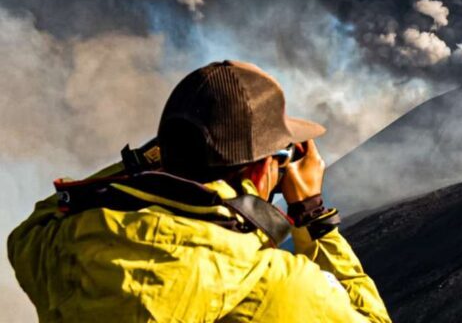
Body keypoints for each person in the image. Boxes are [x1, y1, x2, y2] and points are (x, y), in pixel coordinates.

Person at [7, 60, 391, 322]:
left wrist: (149, 161)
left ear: (165, 152)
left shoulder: (65, 241)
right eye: (281, 155)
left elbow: (44, 215)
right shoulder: (267, 280)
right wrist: (311, 213)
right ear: (262, 166)